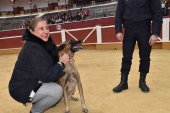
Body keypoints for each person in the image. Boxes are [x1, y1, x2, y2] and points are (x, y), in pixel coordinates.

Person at [8, 17, 81, 113]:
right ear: (31, 31)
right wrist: (62, 63)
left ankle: (37, 101)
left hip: (33, 81)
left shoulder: (44, 42)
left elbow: (53, 61)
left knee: (55, 86)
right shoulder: (32, 48)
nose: (46, 31)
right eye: (41, 29)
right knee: (56, 91)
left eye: (47, 28)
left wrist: (64, 60)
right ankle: (35, 111)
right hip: (22, 89)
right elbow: (47, 76)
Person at [113, 0, 163, 93]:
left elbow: (157, 13)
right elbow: (119, 12)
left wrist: (155, 33)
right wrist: (118, 30)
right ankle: (123, 82)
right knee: (126, 57)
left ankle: (142, 81)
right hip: (129, 29)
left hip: (144, 28)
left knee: (145, 56)